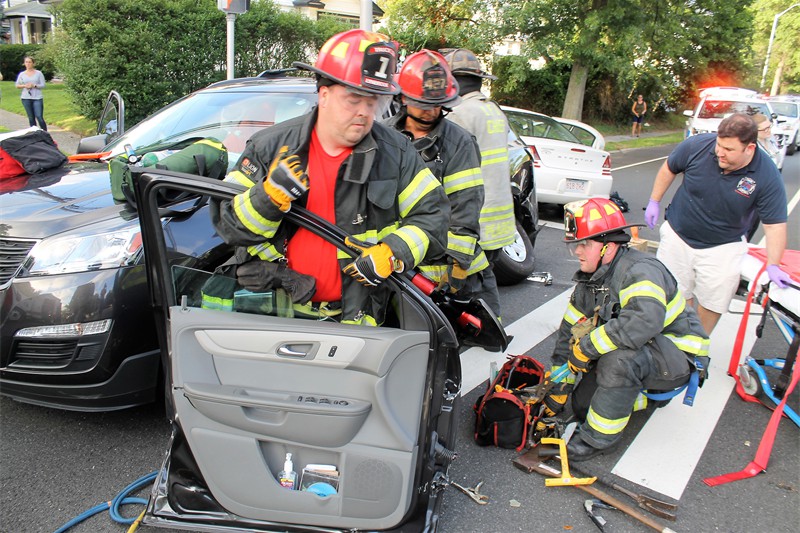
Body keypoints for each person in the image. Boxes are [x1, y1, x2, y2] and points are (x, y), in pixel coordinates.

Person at [210, 29, 449, 326]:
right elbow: (229, 226)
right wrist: (268, 197)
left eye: (372, 101)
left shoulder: (396, 153)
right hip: (281, 315)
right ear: (324, 95)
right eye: (353, 99)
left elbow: (434, 217)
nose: (364, 112)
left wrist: (392, 251)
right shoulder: (269, 147)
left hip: (362, 318)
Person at [545, 197, 710, 461]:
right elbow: (568, 336)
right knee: (581, 406)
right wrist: (558, 388)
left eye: (584, 244)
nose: (577, 252)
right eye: (575, 245)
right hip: (648, 348)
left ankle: (596, 440)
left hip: (678, 354)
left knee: (619, 362)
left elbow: (643, 322)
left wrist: (586, 349)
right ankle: (646, 397)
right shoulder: (590, 281)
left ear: (607, 247)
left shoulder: (640, 271)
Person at [644, 113, 789, 334]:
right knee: (674, 294)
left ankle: (698, 344)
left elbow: (775, 225)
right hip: (678, 235)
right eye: (719, 145)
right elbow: (669, 168)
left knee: (713, 302)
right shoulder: (697, 146)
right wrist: (654, 201)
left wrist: (774, 264)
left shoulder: (766, 175)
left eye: (729, 150)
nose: (720, 152)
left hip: (723, 245)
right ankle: (676, 340)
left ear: (749, 149)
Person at [383, 49, 500, 315]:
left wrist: (458, 267)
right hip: (397, 264)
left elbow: (466, 205)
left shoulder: (459, 142)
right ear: (403, 97)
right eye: (423, 104)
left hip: (444, 268)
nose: (431, 111)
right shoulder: (384, 135)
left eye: (437, 104)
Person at [442, 48, 516, 311]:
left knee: (476, 280)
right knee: (484, 275)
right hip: (500, 220)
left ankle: (489, 332)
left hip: (478, 220)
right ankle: (486, 329)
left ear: (454, 82)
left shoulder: (460, 115)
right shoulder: (493, 110)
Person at [15, 56, 47, 131]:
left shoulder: (38, 73)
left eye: (30, 62)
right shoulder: (22, 74)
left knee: (39, 116)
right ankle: (34, 133)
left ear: (33, 63)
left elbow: (43, 85)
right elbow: (17, 85)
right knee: (31, 117)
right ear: (24, 63)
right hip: (26, 98)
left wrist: (34, 85)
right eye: (26, 62)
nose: (28, 64)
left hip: (37, 98)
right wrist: (25, 86)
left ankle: (45, 132)